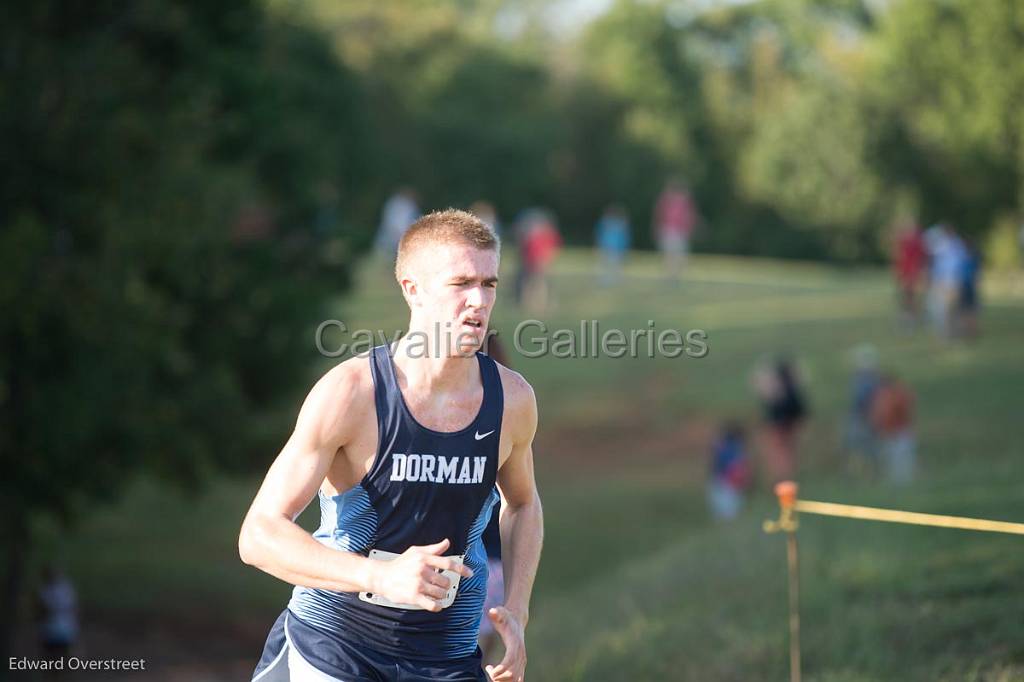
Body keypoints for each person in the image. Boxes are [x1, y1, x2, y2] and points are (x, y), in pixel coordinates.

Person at [240, 209, 544, 682]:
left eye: (489, 284)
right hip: (333, 647)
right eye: (461, 282)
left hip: (448, 659)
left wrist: (518, 612)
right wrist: (380, 577)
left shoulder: (513, 400)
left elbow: (523, 503)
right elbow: (258, 535)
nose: (478, 301)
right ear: (412, 289)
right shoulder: (353, 393)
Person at [752, 358, 807, 484]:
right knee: (787, 452)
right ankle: (786, 477)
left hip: (779, 426)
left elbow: (772, 405)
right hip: (788, 424)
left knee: (780, 452)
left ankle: (782, 478)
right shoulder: (792, 388)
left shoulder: (779, 390)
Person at [869, 374, 916, 485]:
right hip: (891, 434)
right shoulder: (884, 397)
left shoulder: (895, 395)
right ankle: (898, 486)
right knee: (893, 464)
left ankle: (905, 486)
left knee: (902, 464)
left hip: (899, 433)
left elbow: (901, 414)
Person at [843, 344, 880, 475]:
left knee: (863, 446)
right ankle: (863, 470)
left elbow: (862, 400)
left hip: (864, 417)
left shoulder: (866, 380)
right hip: (864, 416)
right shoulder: (871, 379)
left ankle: (866, 471)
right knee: (861, 446)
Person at [652, 177, 697, 282]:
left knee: (680, 255)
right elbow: (659, 215)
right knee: (669, 255)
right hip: (669, 230)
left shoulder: (685, 202)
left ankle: (676, 276)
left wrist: (690, 228)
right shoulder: (665, 200)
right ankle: (670, 276)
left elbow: (690, 217)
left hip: (680, 232)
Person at [706, 422, 751, 520]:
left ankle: (725, 522)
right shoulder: (737, 448)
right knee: (729, 507)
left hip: (722, 479)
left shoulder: (723, 447)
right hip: (727, 480)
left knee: (723, 506)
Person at [36, 565, 78, 662]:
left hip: (64, 629)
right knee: (51, 656)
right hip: (50, 630)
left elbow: (73, 608)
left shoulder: (65, 590)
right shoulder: (44, 591)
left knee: (63, 656)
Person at [893, 221, 926, 329]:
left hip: (911, 274)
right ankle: (908, 318)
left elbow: (918, 260)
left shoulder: (916, 242)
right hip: (906, 274)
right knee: (906, 297)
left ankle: (912, 319)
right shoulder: (906, 242)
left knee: (911, 298)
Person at [375, 187, 420, 258]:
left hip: (397, 247)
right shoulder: (398, 204)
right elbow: (396, 225)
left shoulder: (411, 207)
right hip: (387, 245)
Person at [594, 204, 631, 286]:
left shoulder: (621, 224)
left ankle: (615, 278)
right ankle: (606, 278)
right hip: (606, 247)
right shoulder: (604, 222)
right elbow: (599, 235)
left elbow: (624, 238)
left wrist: (624, 248)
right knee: (606, 263)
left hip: (616, 248)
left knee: (615, 264)